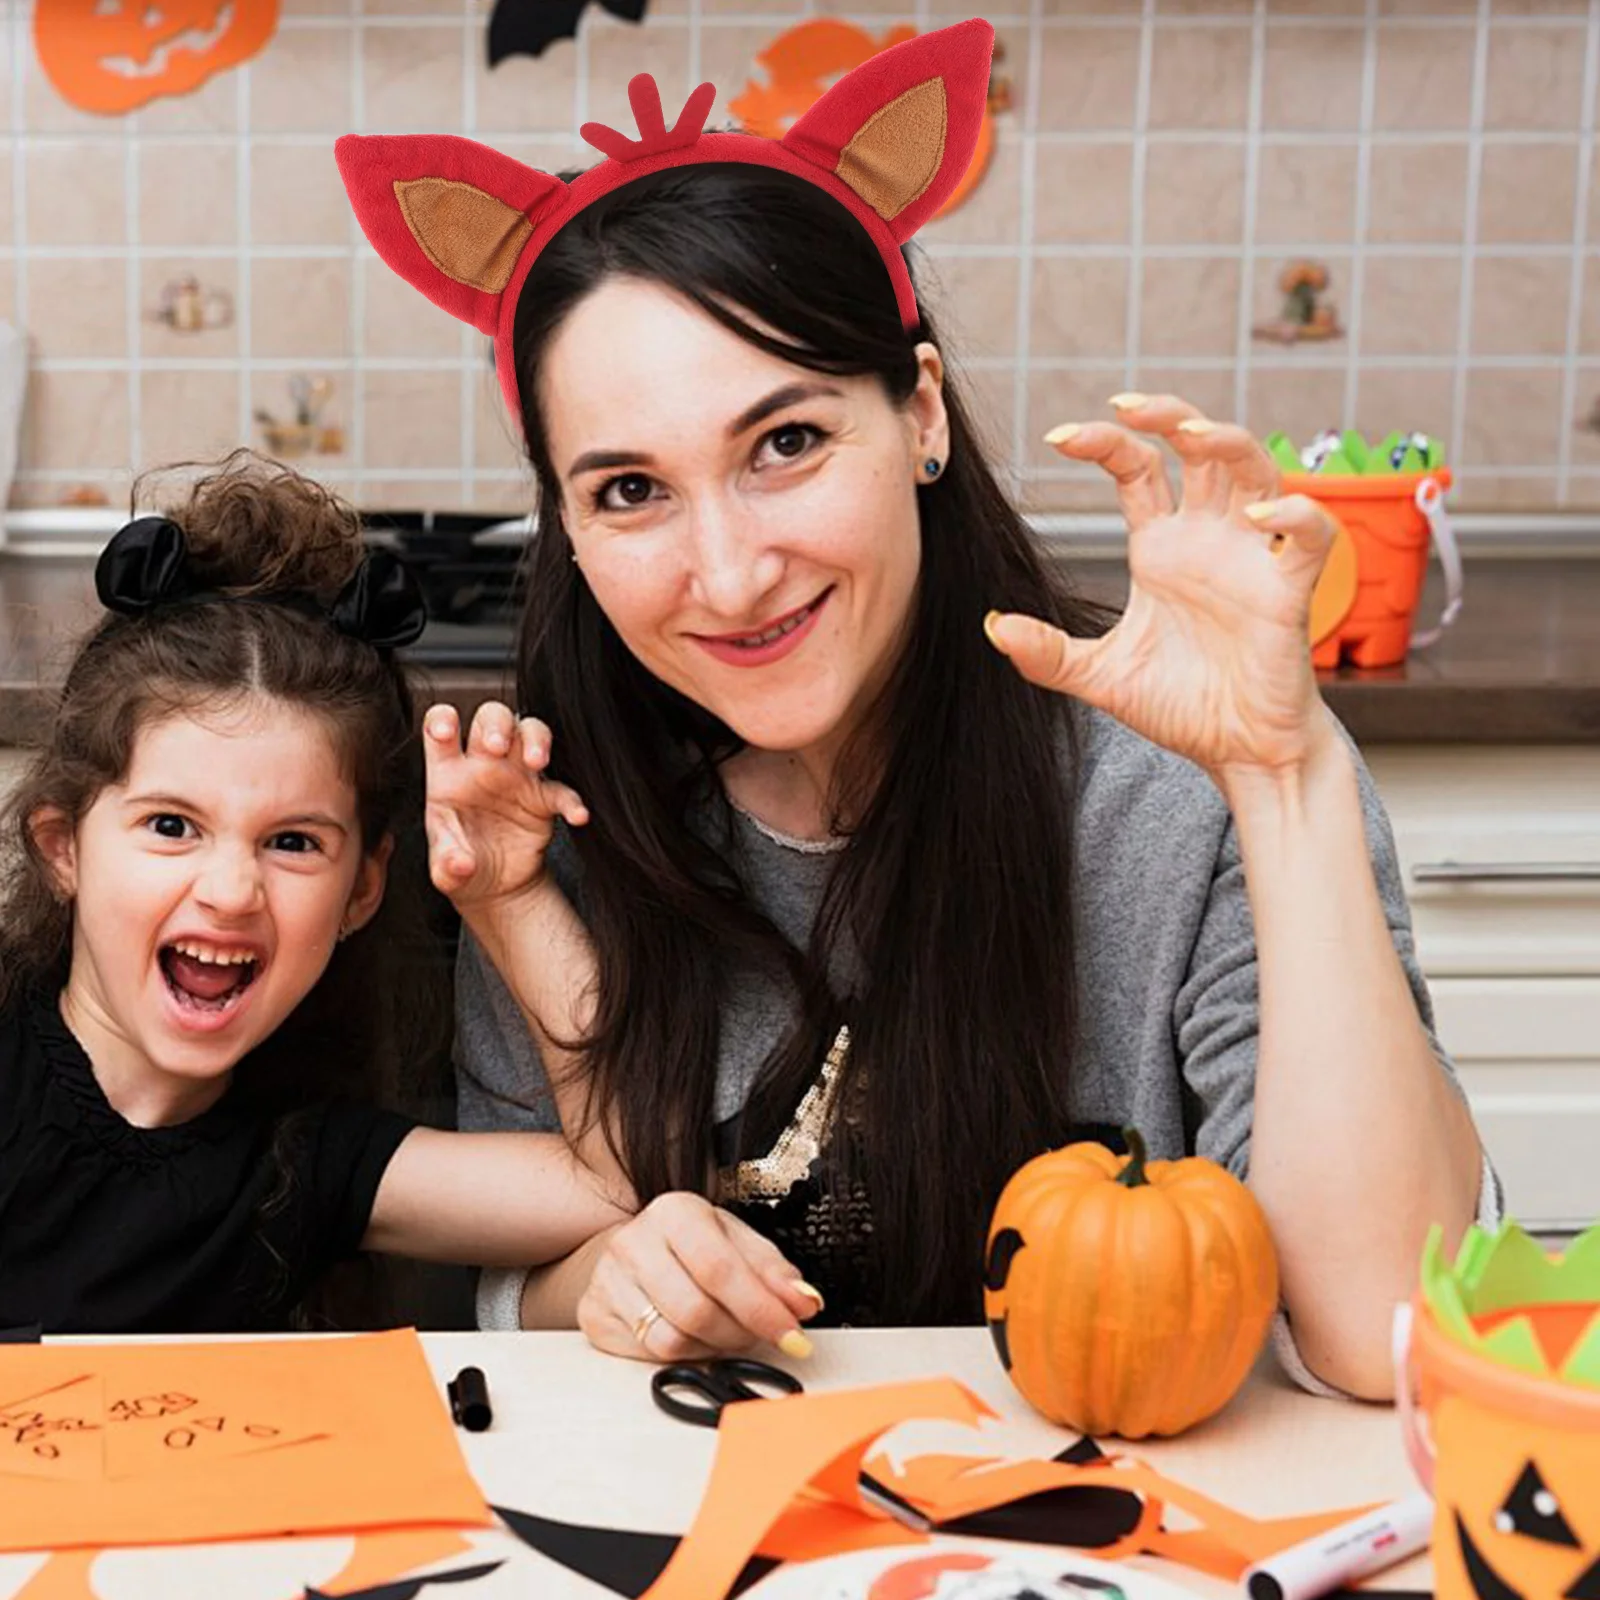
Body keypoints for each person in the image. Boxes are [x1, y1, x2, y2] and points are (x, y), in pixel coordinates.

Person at [342, 19, 1492, 1399]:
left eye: (787, 443)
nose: (728, 572)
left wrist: (1286, 776)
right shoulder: (554, 817)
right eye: (630, 490)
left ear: (922, 415)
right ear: (568, 525)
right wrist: (631, 1279)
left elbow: (1380, 1335)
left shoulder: (1184, 781)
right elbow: (542, 1283)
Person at [0, 455, 631, 1334]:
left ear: (362, 891)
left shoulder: (312, 1161)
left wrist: (509, 895)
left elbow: (624, 1180)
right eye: (172, 826)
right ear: (64, 847)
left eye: (292, 842)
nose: (230, 891)